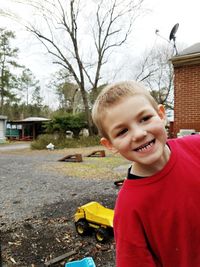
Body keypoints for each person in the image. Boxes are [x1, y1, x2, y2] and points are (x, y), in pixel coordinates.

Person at [91, 80, 200, 267]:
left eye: (145, 119)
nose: (139, 134)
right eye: (122, 131)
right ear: (110, 145)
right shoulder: (129, 209)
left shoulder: (196, 147)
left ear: (161, 115)